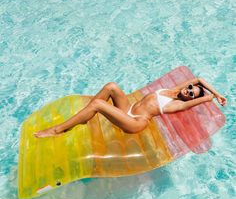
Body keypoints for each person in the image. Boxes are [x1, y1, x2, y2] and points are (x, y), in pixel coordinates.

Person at [34, 77, 227, 138]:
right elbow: (199, 79)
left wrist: (214, 97)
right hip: (128, 109)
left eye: (192, 94)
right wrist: (217, 91)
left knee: (99, 104)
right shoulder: (174, 90)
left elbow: (205, 98)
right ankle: (87, 115)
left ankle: (58, 129)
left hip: (135, 122)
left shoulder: (178, 104)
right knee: (111, 86)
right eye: (191, 89)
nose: (190, 92)